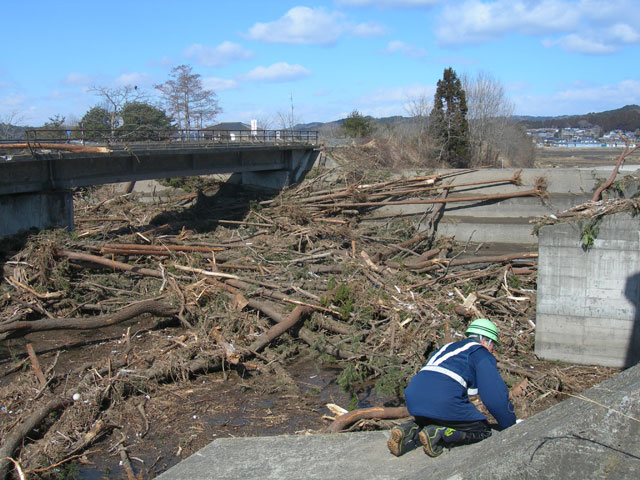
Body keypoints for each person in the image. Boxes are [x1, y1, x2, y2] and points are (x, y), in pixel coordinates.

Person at [387, 318, 516, 457]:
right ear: (485, 341)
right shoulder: (480, 353)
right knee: (482, 428)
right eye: (493, 346)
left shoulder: (447, 348)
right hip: (443, 398)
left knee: (436, 415)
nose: (492, 351)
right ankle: (439, 433)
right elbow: (494, 397)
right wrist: (510, 424)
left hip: (414, 398)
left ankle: (411, 429)